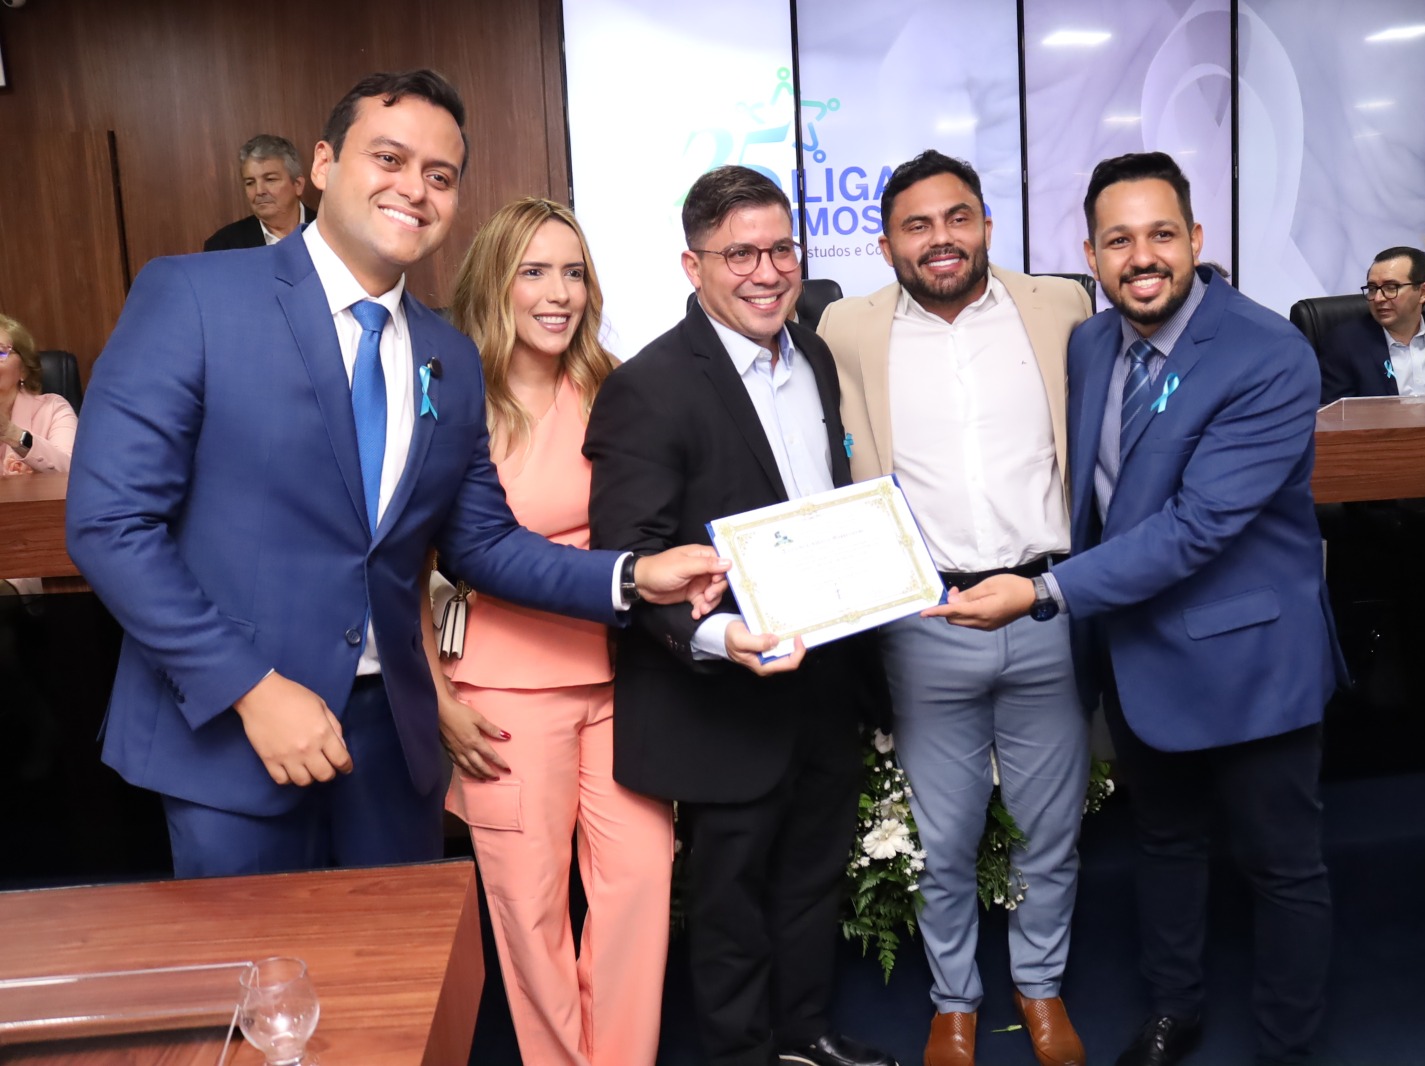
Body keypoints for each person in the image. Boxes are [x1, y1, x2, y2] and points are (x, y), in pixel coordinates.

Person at [66, 69, 726, 880]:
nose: (415, 188)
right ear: (322, 164)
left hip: (392, 747)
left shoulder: (449, 356)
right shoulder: (195, 296)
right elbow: (110, 526)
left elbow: (482, 542)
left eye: (440, 175)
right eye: (389, 158)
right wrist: (250, 689)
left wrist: (633, 576)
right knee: (259, 965)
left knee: (406, 965)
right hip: (232, 734)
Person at [928, 151, 1344, 1066]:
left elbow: (1198, 527)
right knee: (1165, 844)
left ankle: (1288, 1046)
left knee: (1281, 866)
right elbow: (1093, 498)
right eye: (1118, 241)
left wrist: (1044, 591)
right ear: (1091, 254)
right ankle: (1173, 1010)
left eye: (1161, 235)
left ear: (1196, 239)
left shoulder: (1268, 351)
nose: (1141, 256)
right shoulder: (1090, 343)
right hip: (1137, 651)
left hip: (1248, 662)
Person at [584, 164, 893, 1066]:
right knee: (731, 901)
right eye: (740, 255)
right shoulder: (649, 386)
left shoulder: (815, 356)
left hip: (823, 672)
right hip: (724, 691)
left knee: (813, 874)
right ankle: (740, 1055)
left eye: (781, 249)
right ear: (694, 267)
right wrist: (724, 638)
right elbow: (632, 559)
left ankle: (804, 1033)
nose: (767, 272)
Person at [817, 149, 1091, 1066]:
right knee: (945, 838)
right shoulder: (846, 328)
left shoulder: (1059, 308)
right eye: (917, 224)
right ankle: (954, 1002)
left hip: (1044, 603)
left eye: (958, 217)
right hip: (924, 618)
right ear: (886, 243)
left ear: (985, 224)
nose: (941, 239)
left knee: (1051, 830)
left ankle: (1040, 987)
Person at [423, 197, 673, 1066]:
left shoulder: (614, 386)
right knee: (530, 910)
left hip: (625, 679)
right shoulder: (453, 401)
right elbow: (405, 564)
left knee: (641, 879)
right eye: (534, 272)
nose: (558, 293)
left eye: (573, 272)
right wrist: (436, 694)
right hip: (504, 690)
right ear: (496, 283)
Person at [1319, 246, 1425, 404]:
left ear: (1423, 292)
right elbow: (1337, 414)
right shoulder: (1345, 343)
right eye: (1372, 288)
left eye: (1391, 287)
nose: (1378, 298)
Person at [1, 312, 78, 596]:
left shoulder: (53, 409)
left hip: (31, 547)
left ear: (23, 370)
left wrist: (11, 433)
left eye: (0, 352)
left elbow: (70, 472)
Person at [203, 135, 318, 251]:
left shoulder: (326, 231)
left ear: (298, 185)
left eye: (270, 179)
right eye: (250, 183)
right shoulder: (223, 246)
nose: (259, 191)